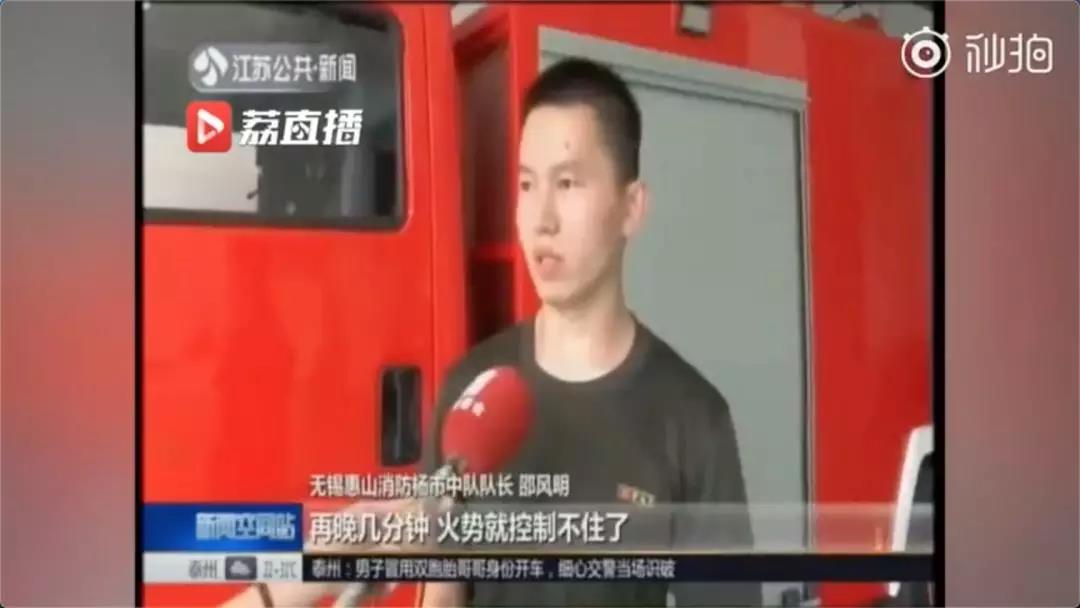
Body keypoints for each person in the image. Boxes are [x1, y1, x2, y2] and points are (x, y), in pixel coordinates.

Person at [225, 57, 760, 608]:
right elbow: (443, 590)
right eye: (527, 184)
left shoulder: (694, 420)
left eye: (567, 183)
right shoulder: (473, 385)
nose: (541, 218)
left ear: (631, 208)